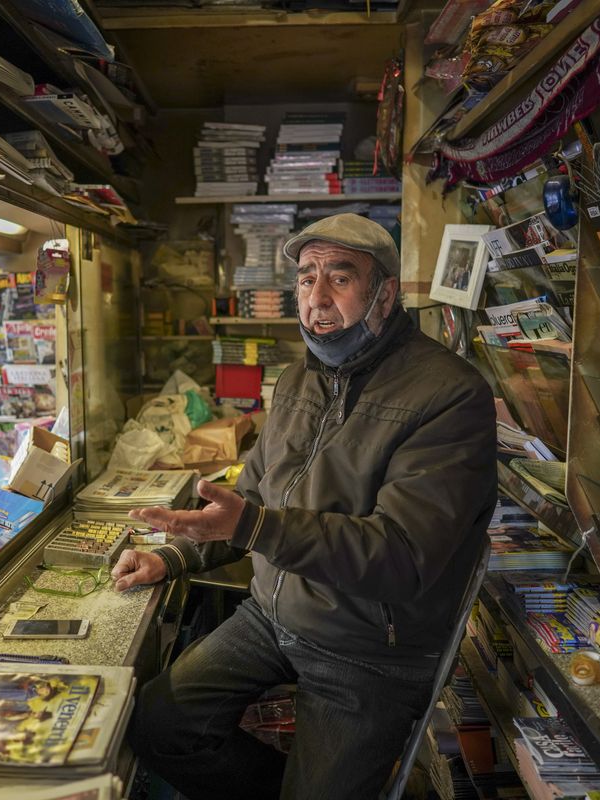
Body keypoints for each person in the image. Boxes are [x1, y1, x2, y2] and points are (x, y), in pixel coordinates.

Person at [112, 213, 497, 800]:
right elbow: (252, 501)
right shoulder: (297, 380)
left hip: (367, 649)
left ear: (384, 293)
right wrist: (178, 556)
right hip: (272, 614)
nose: (316, 298)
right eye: (305, 278)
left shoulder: (450, 394)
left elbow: (402, 557)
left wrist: (255, 525)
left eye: (339, 279)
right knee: (158, 725)